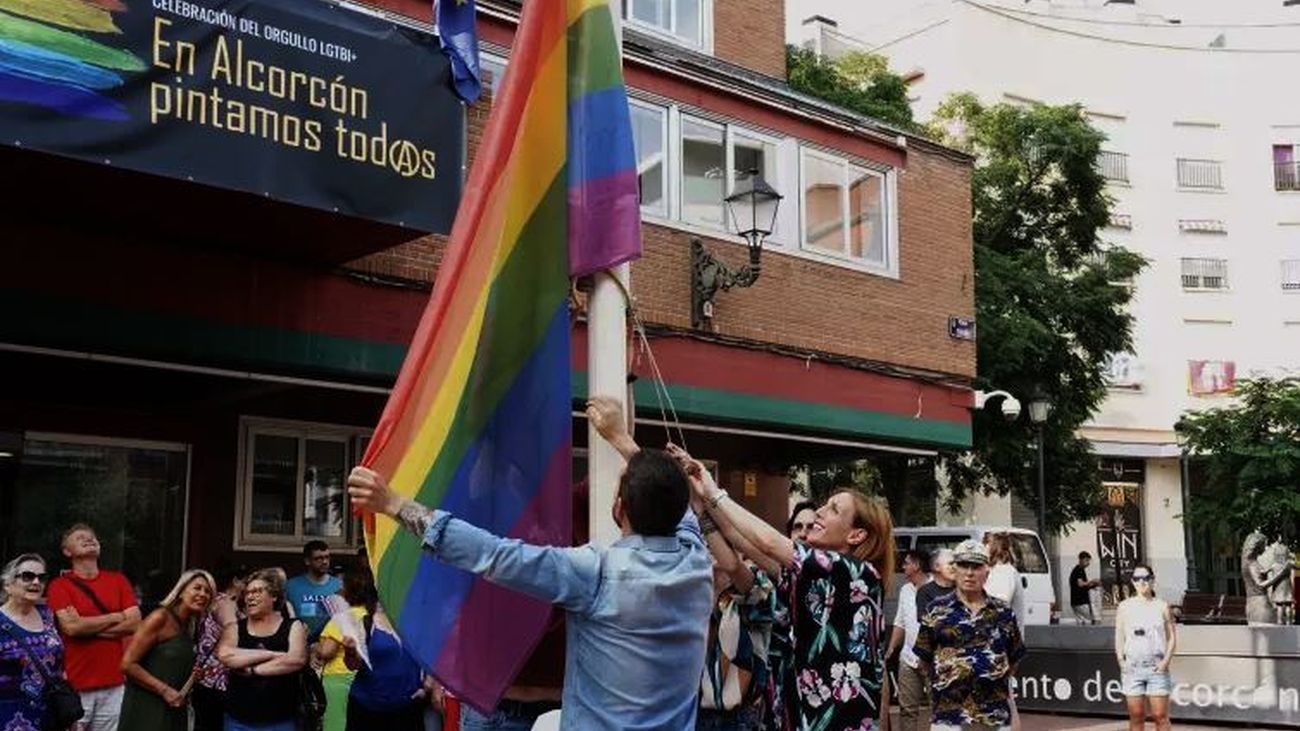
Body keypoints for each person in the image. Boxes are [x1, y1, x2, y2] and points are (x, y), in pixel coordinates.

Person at [347, 396, 713, 730]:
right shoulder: (696, 560)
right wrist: (619, 436)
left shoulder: (596, 572)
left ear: (618, 508)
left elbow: (490, 553)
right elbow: (667, 495)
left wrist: (394, 504)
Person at [685, 450, 895, 731]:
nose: (819, 511)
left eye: (833, 509)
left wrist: (713, 490)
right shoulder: (811, 578)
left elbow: (768, 542)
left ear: (856, 535)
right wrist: (702, 504)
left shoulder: (857, 572)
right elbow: (741, 540)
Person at [914, 540, 1024, 731]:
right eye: (964, 565)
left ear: (987, 572)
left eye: (976, 566)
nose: (969, 573)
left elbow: (1014, 659)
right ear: (955, 569)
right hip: (949, 716)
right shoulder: (936, 611)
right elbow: (924, 660)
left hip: (993, 715)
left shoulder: (1003, 612)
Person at [46, 524, 140, 731]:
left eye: (93, 537)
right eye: (81, 537)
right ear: (67, 551)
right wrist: (117, 616)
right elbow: (71, 629)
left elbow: (134, 623)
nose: (89, 539)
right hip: (75, 685)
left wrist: (86, 626)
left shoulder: (118, 580)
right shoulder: (59, 585)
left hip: (114, 684)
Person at [118, 570, 215, 731]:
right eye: (197, 588)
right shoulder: (160, 618)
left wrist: (192, 675)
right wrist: (165, 690)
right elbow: (127, 665)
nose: (203, 594)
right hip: (148, 707)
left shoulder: (190, 624)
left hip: (174, 708)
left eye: (208, 592)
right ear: (181, 591)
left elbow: (168, 662)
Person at [334, 565, 427, 731]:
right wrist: (350, 650)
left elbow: (430, 658)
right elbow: (353, 664)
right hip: (368, 709)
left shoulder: (416, 622)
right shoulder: (365, 622)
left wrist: (426, 686)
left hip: (408, 708)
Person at [217, 570, 309, 731]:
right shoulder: (235, 628)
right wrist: (272, 654)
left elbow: (296, 660)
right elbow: (225, 655)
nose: (250, 597)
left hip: (281, 721)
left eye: (258, 591)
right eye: (247, 593)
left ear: (274, 596)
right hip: (238, 721)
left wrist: (253, 670)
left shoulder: (293, 626)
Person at [0, 553, 66, 731]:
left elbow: (59, 667)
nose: (36, 582)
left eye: (42, 577)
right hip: (8, 718)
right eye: (28, 576)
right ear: (8, 585)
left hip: (51, 715)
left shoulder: (48, 615)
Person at [1115, 564, 1176, 731]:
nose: (1141, 582)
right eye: (1137, 578)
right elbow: (1119, 636)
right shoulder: (1124, 606)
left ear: (1152, 580)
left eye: (1145, 578)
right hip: (1132, 667)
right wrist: (1121, 660)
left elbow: (1171, 637)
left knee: (1160, 716)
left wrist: (1165, 662)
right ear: (1132, 582)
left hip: (1156, 666)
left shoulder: (1162, 606)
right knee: (1136, 716)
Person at [318, 565, 375, 731]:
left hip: (338, 678)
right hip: (362, 679)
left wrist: (315, 648)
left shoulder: (344, 617)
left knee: (336, 724)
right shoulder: (372, 616)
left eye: (343, 586)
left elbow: (327, 652)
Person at [192, 565, 246, 731]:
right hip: (218, 679)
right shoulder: (225, 603)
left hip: (205, 677)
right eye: (246, 582)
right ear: (235, 581)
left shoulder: (213, 601)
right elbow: (232, 627)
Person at [885, 549, 930, 731]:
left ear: (917, 566)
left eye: (906, 563)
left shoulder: (935, 589)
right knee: (907, 709)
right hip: (907, 658)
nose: (902, 567)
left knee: (940, 708)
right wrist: (891, 648)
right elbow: (900, 622)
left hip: (931, 659)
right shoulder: (905, 590)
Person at [286, 542, 341, 643]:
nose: (324, 562)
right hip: (300, 642)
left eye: (327, 557)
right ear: (307, 561)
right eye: (319, 558)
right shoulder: (291, 586)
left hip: (331, 645)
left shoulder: (340, 586)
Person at [916, 549, 956, 617]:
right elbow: (926, 620)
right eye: (950, 563)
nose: (955, 567)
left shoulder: (963, 588)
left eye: (957, 563)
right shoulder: (925, 592)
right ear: (937, 567)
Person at [1069, 552, 1101, 625]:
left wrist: (1092, 585)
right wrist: (1092, 581)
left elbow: (1083, 585)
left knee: (1081, 623)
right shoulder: (1078, 570)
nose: (1088, 563)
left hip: (1076, 602)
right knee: (1091, 620)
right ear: (1081, 559)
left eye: (1088, 561)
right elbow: (1080, 584)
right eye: (1086, 560)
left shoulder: (1080, 570)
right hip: (1080, 602)